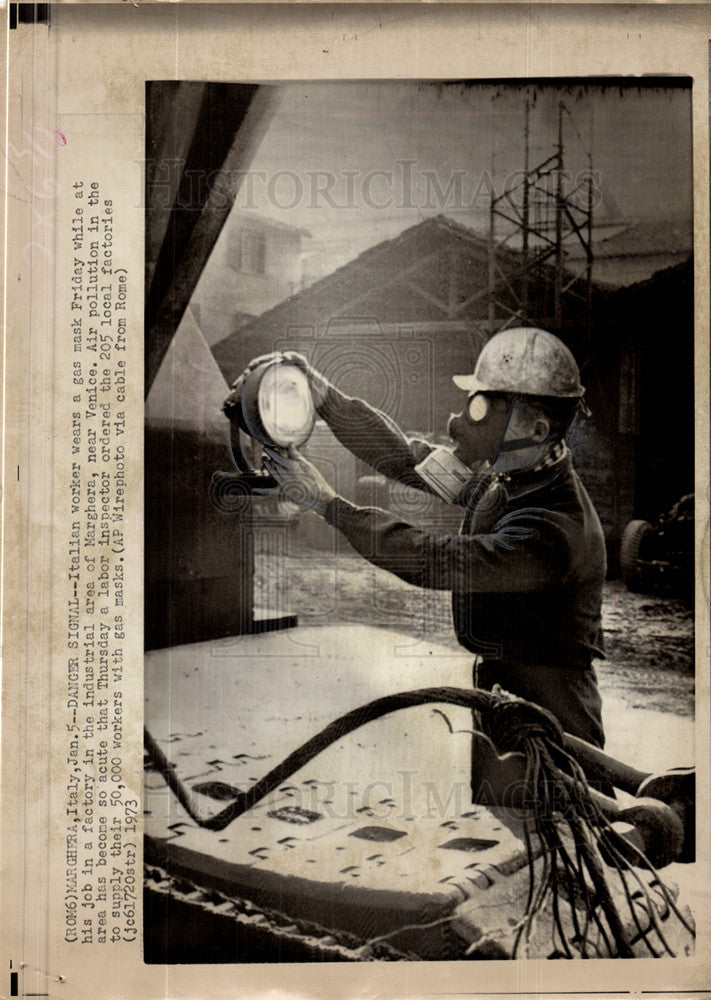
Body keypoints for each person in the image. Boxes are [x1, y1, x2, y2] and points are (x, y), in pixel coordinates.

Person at [226, 327, 607, 754]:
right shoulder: (513, 480)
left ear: (537, 430)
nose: (461, 421)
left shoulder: (553, 531)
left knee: (565, 811)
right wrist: (325, 398)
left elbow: (434, 559)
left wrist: (327, 503)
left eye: (483, 409)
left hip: (555, 709)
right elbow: (408, 460)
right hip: (504, 691)